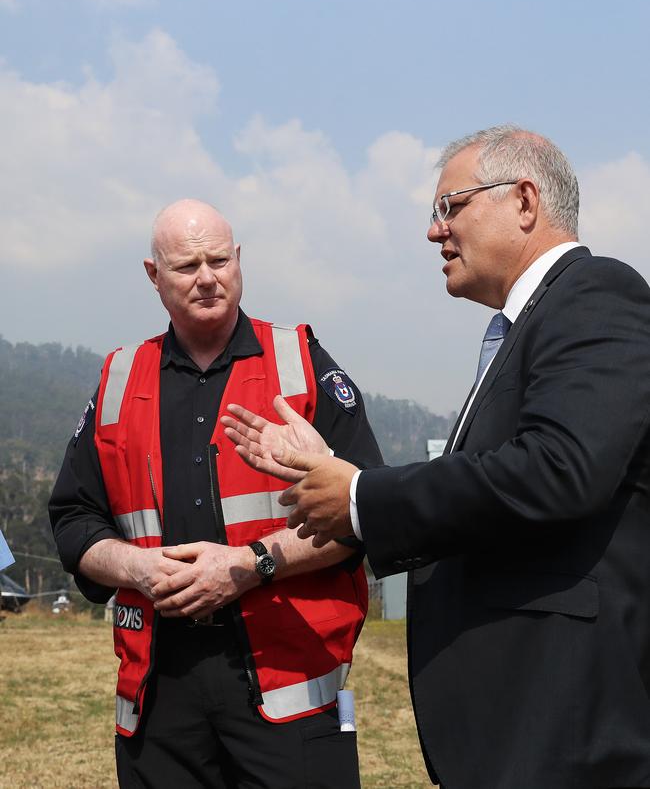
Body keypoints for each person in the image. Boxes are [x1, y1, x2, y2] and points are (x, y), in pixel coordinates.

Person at [225, 127, 650, 789]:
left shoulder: (595, 294)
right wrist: (334, 473)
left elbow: (560, 467)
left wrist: (363, 497)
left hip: (564, 733)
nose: (434, 231)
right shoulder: (525, 325)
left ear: (525, 201)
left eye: (450, 206)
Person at [49, 199, 382, 789]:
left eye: (219, 260)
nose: (207, 277)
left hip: (287, 684)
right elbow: (75, 520)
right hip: (160, 688)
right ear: (153, 276)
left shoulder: (301, 364)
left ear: (239, 261)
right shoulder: (120, 379)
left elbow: (369, 511)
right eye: (186, 266)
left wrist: (249, 566)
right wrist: (136, 566)